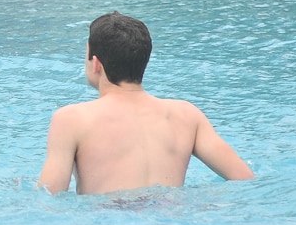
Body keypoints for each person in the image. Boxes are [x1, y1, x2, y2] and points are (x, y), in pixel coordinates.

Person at [39, 12, 253, 194]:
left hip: (109, 222)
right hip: (172, 218)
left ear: (96, 64)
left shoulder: (72, 119)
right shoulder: (186, 115)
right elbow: (244, 178)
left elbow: (50, 195)